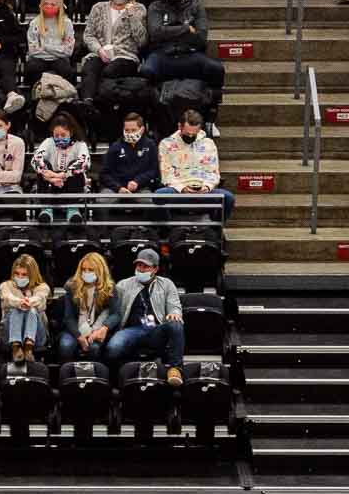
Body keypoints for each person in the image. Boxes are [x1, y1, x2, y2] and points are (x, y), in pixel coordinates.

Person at [103, 248, 184, 385]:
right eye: (139, 265)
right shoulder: (123, 285)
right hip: (131, 329)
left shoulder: (166, 284)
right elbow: (113, 311)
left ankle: (175, 368)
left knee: (176, 324)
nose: (141, 269)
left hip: (156, 329)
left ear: (155, 269)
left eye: (145, 266)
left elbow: (174, 306)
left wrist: (174, 313)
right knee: (113, 348)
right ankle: (115, 379)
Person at [140, 0, 225, 94]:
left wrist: (168, 31)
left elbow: (201, 37)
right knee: (146, 71)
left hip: (190, 53)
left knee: (216, 69)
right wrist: (185, 28)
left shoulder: (195, 7)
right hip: (162, 54)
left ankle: (209, 107)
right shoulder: (156, 7)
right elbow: (155, 33)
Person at [78, 0, 145, 100]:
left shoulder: (139, 9)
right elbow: (88, 35)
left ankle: (100, 104)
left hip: (125, 56)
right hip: (100, 53)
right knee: (89, 68)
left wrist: (132, 17)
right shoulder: (98, 8)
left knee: (109, 71)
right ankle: (87, 103)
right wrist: (99, 49)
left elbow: (141, 40)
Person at [157, 109, 234, 218]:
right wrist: (182, 188)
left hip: (203, 190)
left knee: (228, 198)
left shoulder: (209, 143)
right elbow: (166, 174)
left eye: (194, 134)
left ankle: (214, 229)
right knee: (160, 195)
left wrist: (207, 187)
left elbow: (214, 172)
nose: (190, 136)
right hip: (178, 190)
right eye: (188, 133)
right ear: (180, 126)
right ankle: (167, 230)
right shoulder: (166, 144)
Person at [59, 251, 118, 363]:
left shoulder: (110, 287)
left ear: (99, 271)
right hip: (75, 329)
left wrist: (103, 329)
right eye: (83, 269)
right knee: (65, 346)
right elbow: (68, 317)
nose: (86, 273)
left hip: (97, 328)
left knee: (94, 348)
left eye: (91, 270)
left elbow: (116, 314)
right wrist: (79, 336)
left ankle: (95, 376)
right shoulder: (71, 286)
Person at [30, 111, 91, 216]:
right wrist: (50, 176)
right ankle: (46, 209)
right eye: (56, 135)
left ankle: (73, 209)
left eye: (63, 135)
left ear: (71, 132)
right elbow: (35, 159)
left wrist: (63, 175)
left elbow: (84, 162)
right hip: (51, 183)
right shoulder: (48, 142)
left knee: (76, 167)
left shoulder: (80, 144)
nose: (60, 138)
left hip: (72, 185)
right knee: (43, 164)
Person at [0, 253, 51, 362]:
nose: (20, 277)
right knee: (16, 309)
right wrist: (20, 302)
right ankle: (16, 346)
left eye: (24, 274)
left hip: (37, 336)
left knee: (31, 309)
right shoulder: (6, 285)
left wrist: (29, 302)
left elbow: (39, 298)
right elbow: (8, 297)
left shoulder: (43, 287)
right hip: (8, 335)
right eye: (17, 274)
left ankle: (28, 346)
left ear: (32, 275)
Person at [22, 0, 77, 86]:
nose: (49, 7)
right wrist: (57, 50)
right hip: (39, 59)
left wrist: (45, 47)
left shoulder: (67, 23)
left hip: (60, 59)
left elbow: (68, 51)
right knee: (31, 69)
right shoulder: (35, 23)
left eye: (53, 4)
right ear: (41, 5)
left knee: (67, 71)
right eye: (46, 4)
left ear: (60, 6)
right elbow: (33, 51)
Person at [99, 111, 160, 195]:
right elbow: (104, 173)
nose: (130, 133)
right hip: (116, 189)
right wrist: (118, 188)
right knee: (102, 202)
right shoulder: (115, 147)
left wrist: (137, 181)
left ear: (142, 130)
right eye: (127, 130)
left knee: (148, 202)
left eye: (133, 130)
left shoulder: (150, 145)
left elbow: (154, 170)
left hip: (142, 188)